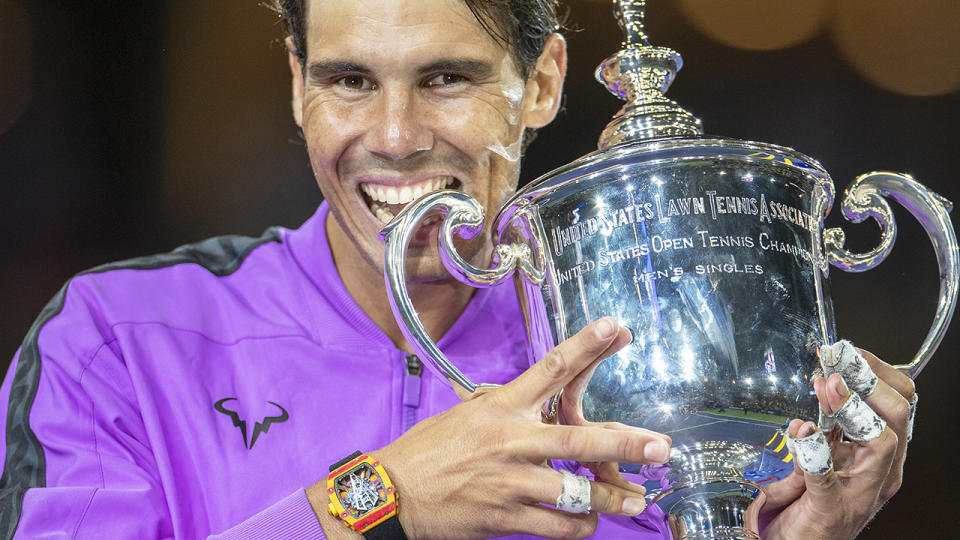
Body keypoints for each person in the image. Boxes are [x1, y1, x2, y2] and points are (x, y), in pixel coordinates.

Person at [0, 0, 917, 538]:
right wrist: (380, 502)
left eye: (446, 79)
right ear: (295, 83)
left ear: (546, 82)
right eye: (350, 81)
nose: (394, 140)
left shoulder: (650, 379)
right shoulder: (112, 342)